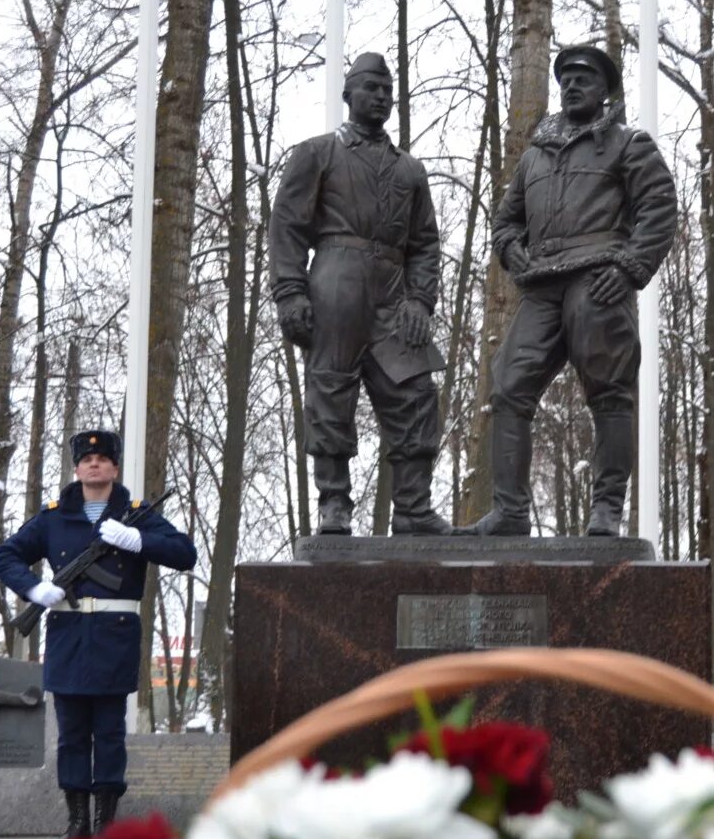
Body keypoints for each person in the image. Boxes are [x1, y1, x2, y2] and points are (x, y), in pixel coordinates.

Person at [459, 45, 677, 537]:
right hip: (541, 286)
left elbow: (659, 208)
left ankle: (606, 509)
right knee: (508, 386)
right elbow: (507, 218)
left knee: (608, 392)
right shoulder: (535, 155)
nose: (572, 85)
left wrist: (628, 267)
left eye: (584, 78)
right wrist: (510, 248)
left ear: (605, 90)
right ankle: (510, 511)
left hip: (599, 278)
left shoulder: (627, 144)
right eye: (566, 79)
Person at [269, 51, 450, 536]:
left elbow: (426, 243)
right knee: (330, 388)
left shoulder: (410, 170)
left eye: (388, 89)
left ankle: (412, 506)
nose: (381, 96)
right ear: (348, 94)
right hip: (336, 282)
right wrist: (290, 293)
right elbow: (287, 226)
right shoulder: (317, 153)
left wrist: (420, 300)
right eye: (371, 87)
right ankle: (334, 503)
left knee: (415, 393)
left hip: (394, 292)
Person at [0, 430, 197, 839]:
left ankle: (106, 825)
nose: (94, 464)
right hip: (68, 639)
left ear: (115, 467)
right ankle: (76, 826)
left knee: (109, 735)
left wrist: (138, 541)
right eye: (87, 459)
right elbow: (7, 555)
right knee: (71, 736)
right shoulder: (54, 517)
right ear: (76, 467)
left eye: (103, 458)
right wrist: (34, 590)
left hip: (114, 640)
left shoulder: (136, 514)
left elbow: (185, 553)